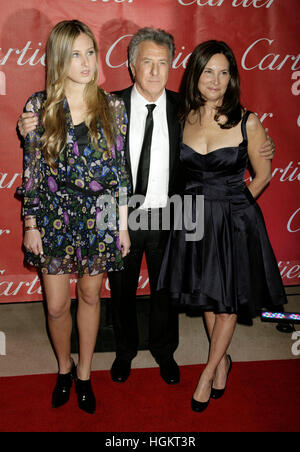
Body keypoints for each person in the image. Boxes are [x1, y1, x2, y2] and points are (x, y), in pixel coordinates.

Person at [17, 29, 275, 387]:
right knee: (119, 289)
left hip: (174, 211)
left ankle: (165, 351)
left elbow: (225, 136)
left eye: (163, 63)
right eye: (147, 62)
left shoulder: (186, 110)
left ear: (172, 66)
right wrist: (26, 124)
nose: (155, 71)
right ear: (131, 65)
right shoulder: (110, 104)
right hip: (116, 210)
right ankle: (124, 352)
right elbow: (61, 123)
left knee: (167, 289)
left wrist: (263, 147)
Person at [157, 40, 287, 412]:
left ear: (232, 78)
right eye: (208, 71)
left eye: (224, 72)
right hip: (194, 220)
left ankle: (209, 370)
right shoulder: (182, 117)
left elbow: (262, 176)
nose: (215, 80)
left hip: (233, 221)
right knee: (211, 299)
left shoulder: (249, 120)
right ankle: (224, 361)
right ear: (195, 75)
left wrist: (237, 210)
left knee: (227, 303)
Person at [16, 20, 131, 415]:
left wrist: (123, 224)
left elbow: (120, 170)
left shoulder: (113, 106)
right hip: (52, 215)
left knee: (89, 295)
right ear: (59, 60)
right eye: (76, 54)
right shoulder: (39, 106)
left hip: (99, 215)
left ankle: (84, 373)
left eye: (91, 53)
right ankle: (63, 368)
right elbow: (32, 169)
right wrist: (30, 224)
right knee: (55, 306)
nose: (86, 63)